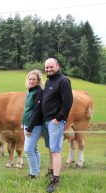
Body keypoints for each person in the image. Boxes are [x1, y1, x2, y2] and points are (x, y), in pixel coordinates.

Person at [42, 58, 73, 193]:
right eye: (47, 67)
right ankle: (52, 172)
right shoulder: (49, 81)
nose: (49, 69)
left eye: (51, 67)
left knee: (55, 150)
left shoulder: (63, 81)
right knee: (51, 148)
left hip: (55, 122)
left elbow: (68, 101)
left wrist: (59, 118)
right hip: (47, 121)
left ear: (57, 66)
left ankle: (55, 180)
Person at [22, 70, 44, 179]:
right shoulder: (30, 91)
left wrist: (29, 127)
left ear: (38, 81)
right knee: (34, 149)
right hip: (27, 124)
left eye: (34, 79)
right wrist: (24, 123)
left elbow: (37, 111)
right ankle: (36, 172)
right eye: (30, 79)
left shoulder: (39, 92)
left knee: (28, 150)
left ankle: (33, 174)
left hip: (34, 126)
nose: (31, 81)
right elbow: (28, 109)